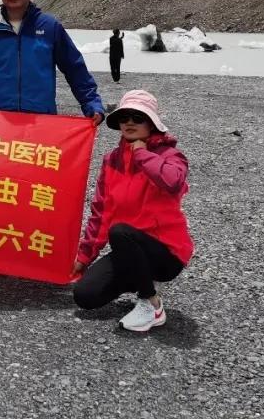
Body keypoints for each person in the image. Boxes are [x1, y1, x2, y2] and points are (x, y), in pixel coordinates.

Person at [71, 90, 193, 332]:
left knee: (120, 232)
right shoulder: (112, 160)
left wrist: (142, 154)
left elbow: (172, 181)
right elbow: (100, 211)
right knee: (85, 295)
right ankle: (141, 280)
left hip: (166, 253)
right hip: (128, 247)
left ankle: (151, 304)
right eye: (124, 117)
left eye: (137, 117)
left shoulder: (171, 155)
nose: (129, 122)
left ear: (152, 124)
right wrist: (84, 258)